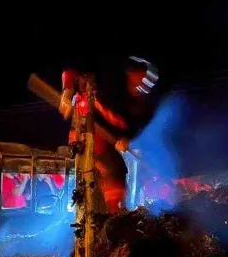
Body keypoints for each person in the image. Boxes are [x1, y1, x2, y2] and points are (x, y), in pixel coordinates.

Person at [60, 56, 160, 213]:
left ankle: (113, 214)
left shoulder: (141, 105)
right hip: (86, 133)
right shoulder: (109, 78)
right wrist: (67, 93)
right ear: (131, 73)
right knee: (108, 169)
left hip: (108, 141)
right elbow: (72, 68)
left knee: (117, 172)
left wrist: (128, 140)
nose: (139, 87)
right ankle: (110, 214)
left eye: (145, 86)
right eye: (139, 80)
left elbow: (134, 126)